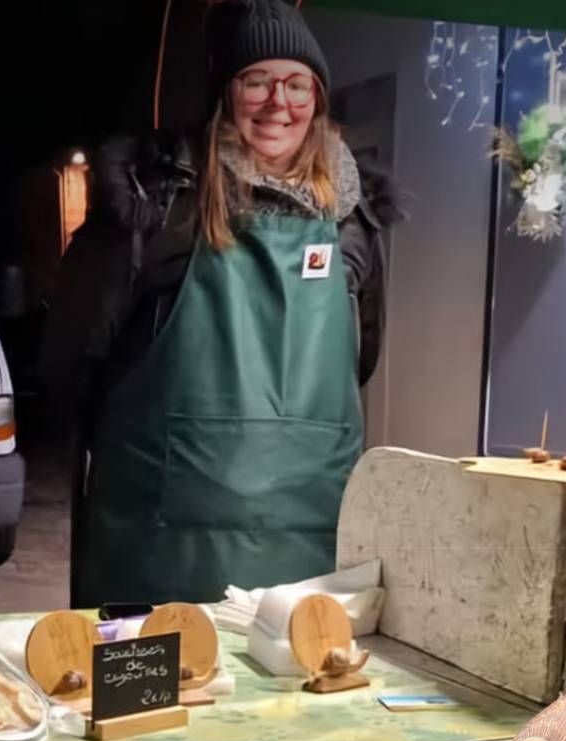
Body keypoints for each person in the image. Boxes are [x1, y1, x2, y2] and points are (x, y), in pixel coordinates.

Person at [40, 0, 398, 607]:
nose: (277, 103)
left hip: (309, 529)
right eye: (255, 80)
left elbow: (359, 355)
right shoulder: (155, 200)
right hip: (159, 538)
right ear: (224, 92)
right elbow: (72, 350)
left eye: (296, 84)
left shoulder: (352, 220)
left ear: (317, 95)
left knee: (296, 696)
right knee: (161, 694)